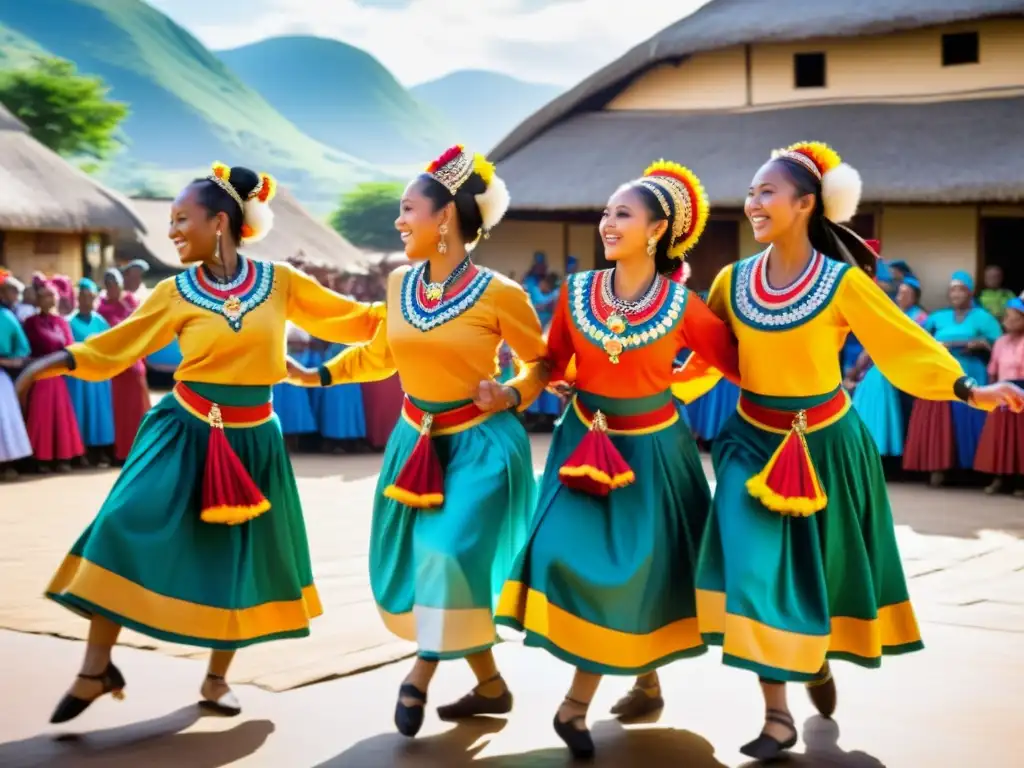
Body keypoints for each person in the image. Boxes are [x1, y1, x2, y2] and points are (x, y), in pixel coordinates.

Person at [672, 141, 1024, 761]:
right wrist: (643, 388)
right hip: (749, 444)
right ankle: (777, 713)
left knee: (815, 575)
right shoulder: (732, 281)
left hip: (825, 447)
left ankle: (814, 657)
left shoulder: (841, 283)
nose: (753, 202)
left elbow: (901, 342)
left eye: (767, 192)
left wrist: (969, 388)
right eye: (751, 192)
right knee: (754, 570)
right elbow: (710, 362)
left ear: (806, 204)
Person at [15, 162, 386, 725]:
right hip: (182, 430)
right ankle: (96, 667)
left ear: (220, 222)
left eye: (181, 219)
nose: (171, 231)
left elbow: (357, 321)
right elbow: (118, 345)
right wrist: (46, 363)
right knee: (121, 523)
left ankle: (216, 680)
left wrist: (426, 308)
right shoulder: (174, 290)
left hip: (253, 441)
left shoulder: (281, 282)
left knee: (234, 560)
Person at [288, 145, 547, 739]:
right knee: (430, 563)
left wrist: (509, 394)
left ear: (445, 219)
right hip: (416, 445)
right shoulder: (400, 282)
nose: (400, 222)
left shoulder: (501, 293)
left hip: (481, 446)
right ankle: (489, 686)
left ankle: (420, 676)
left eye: (408, 209)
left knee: (448, 554)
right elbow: (382, 353)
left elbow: (541, 365)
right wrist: (318, 374)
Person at [495, 160, 741, 759]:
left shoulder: (684, 307)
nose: (607, 223)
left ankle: (580, 703)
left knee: (638, 572)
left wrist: (677, 388)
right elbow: (550, 362)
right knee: (567, 558)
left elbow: (735, 364)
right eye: (605, 212)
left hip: (653, 456)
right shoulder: (578, 293)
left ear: (657, 229)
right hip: (582, 447)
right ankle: (633, 680)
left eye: (622, 214)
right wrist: (514, 391)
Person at [902, 271, 1003, 486]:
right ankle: (939, 468)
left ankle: (973, 471)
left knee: (970, 418)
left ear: (970, 292)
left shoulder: (983, 317)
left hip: (971, 372)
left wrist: (981, 344)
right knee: (941, 422)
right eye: (953, 290)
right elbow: (919, 340)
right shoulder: (937, 317)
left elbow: (999, 344)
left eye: (961, 289)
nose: (956, 294)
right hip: (942, 374)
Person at [21, 279, 84, 473]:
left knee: (61, 419)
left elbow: (69, 345)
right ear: (38, 300)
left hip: (59, 376)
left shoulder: (62, 322)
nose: (48, 299)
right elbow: (28, 348)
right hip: (39, 375)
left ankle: (63, 457)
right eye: (44, 296)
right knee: (41, 417)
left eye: (51, 296)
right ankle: (42, 459)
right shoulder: (30, 322)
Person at [97, 268, 151, 463]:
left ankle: (141, 451)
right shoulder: (101, 309)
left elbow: (141, 329)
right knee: (118, 413)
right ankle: (120, 453)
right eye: (108, 285)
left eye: (115, 284)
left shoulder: (130, 303)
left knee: (137, 410)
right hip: (114, 369)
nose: (112, 288)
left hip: (134, 365)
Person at [974, 296, 1024, 495]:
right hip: (1003, 391)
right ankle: (999, 478)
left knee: (1021, 439)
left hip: (1022, 392)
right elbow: (993, 369)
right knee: (1002, 438)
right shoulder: (1001, 342)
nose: (1008, 321)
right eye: (1007, 317)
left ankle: (1021, 482)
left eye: (1014, 318)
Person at [66, 279, 115, 468]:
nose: (86, 300)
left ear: (95, 298)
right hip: (78, 375)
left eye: (90, 296)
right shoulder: (69, 321)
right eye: (82, 296)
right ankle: (81, 452)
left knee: (99, 413)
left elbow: (109, 345)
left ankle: (100, 451)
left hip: (98, 374)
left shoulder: (100, 321)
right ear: (77, 298)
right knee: (81, 412)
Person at [0, 269, 33, 481]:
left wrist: (5, 361)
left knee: (4, 418)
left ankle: (7, 463)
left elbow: (23, 351)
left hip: (2, 374)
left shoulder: (8, 317)